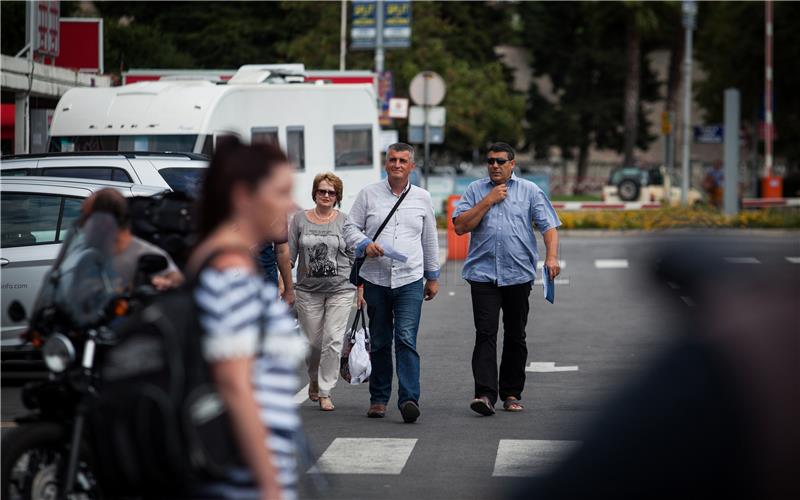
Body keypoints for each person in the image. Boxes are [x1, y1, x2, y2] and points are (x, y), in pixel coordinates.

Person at [187, 137, 307, 500]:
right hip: (242, 484)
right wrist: (270, 485)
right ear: (244, 197)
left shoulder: (220, 260)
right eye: (282, 192)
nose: (293, 205)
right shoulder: (231, 276)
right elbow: (235, 387)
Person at [452, 142, 561, 416]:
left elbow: (548, 226)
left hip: (517, 274)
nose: (495, 166)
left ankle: (511, 393)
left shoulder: (529, 191)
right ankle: (485, 395)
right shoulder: (475, 190)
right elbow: (460, 226)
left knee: (515, 335)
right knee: (486, 334)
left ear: (513, 164)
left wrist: (551, 257)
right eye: (490, 161)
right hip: (483, 275)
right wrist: (488, 201)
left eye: (501, 161)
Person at [343, 142, 440, 423]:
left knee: (406, 339)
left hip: (409, 279)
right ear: (386, 164)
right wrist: (364, 243)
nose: (397, 165)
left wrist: (432, 277)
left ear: (412, 166)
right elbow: (350, 227)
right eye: (392, 160)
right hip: (375, 279)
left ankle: (409, 399)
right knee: (382, 340)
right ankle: (379, 398)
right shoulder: (368, 195)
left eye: (403, 161)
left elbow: (429, 239)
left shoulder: (422, 197)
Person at [289, 172, 365, 411]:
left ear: (337, 197)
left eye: (331, 192)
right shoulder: (299, 220)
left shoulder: (345, 222)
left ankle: (325, 391)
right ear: (314, 193)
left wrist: (360, 287)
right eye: (322, 191)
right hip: (307, 290)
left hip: (340, 289)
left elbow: (355, 256)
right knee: (312, 343)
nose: (326, 195)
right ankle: (313, 379)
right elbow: (289, 256)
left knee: (332, 340)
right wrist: (283, 284)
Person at [79, 188, 183, 292]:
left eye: (87, 217)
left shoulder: (146, 254)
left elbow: (176, 281)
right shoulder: (87, 251)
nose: (82, 223)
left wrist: (163, 283)